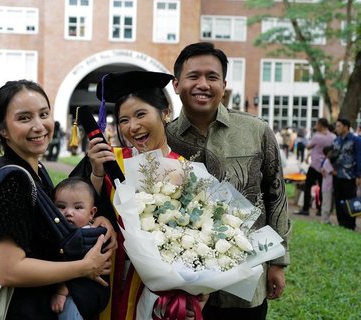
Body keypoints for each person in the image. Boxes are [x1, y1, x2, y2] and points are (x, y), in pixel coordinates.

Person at [165, 42, 291, 320]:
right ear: (176, 84)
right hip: (184, 284)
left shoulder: (256, 131)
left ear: (223, 84)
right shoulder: (164, 138)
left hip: (246, 280)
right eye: (193, 76)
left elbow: (276, 196)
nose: (203, 84)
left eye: (211, 77)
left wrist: (278, 262)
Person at [72, 70, 208, 319]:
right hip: (105, 279)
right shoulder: (109, 160)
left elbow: (203, 242)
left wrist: (198, 294)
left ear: (165, 112)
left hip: (158, 295)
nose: (132, 126)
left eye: (141, 114)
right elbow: (75, 211)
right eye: (123, 120)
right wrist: (97, 175)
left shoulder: (188, 171)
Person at [0, 79, 116, 319]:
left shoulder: (34, 170)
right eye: (24, 118)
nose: (39, 126)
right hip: (24, 310)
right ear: (1, 129)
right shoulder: (13, 182)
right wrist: (83, 268)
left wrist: (97, 215)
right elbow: (9, 270)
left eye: (44, 114)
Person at [51, 177, 110, 320]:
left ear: (92, 213)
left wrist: (61, 291)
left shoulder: (84, 237)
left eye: (77, 208)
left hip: (77, 297)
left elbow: (70, 260)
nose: (68, 212)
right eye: (61, 206)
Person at [295, 118, 336, 216]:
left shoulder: (317, 136)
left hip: (315, 165)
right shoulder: (333, 137)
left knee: (308, 186)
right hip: (326, 166)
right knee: (322, 188)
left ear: (321, 125)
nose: (316, 126)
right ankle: (320, 210)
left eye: (317, 124)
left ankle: (305, 209)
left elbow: (308, 146)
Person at [331, 118, 361, 230]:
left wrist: (359, 175)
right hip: (337, 176)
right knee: (338, 201)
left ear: (346, 127)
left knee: (349, 201)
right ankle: (341, 224)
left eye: (339, 126)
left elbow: (359, 157)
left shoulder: (356, 140)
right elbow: (332, 156)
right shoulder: (336, 140)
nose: (336, 128)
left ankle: (350, 225)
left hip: (350, 177)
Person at [320, 145, 334, 224]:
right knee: (326, 205)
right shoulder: (326, 162)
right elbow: (333, 173)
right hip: (327, 187)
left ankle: (327, 220)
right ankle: (324, 220)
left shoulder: (327, 161)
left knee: (330, 205)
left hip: (329, 186)